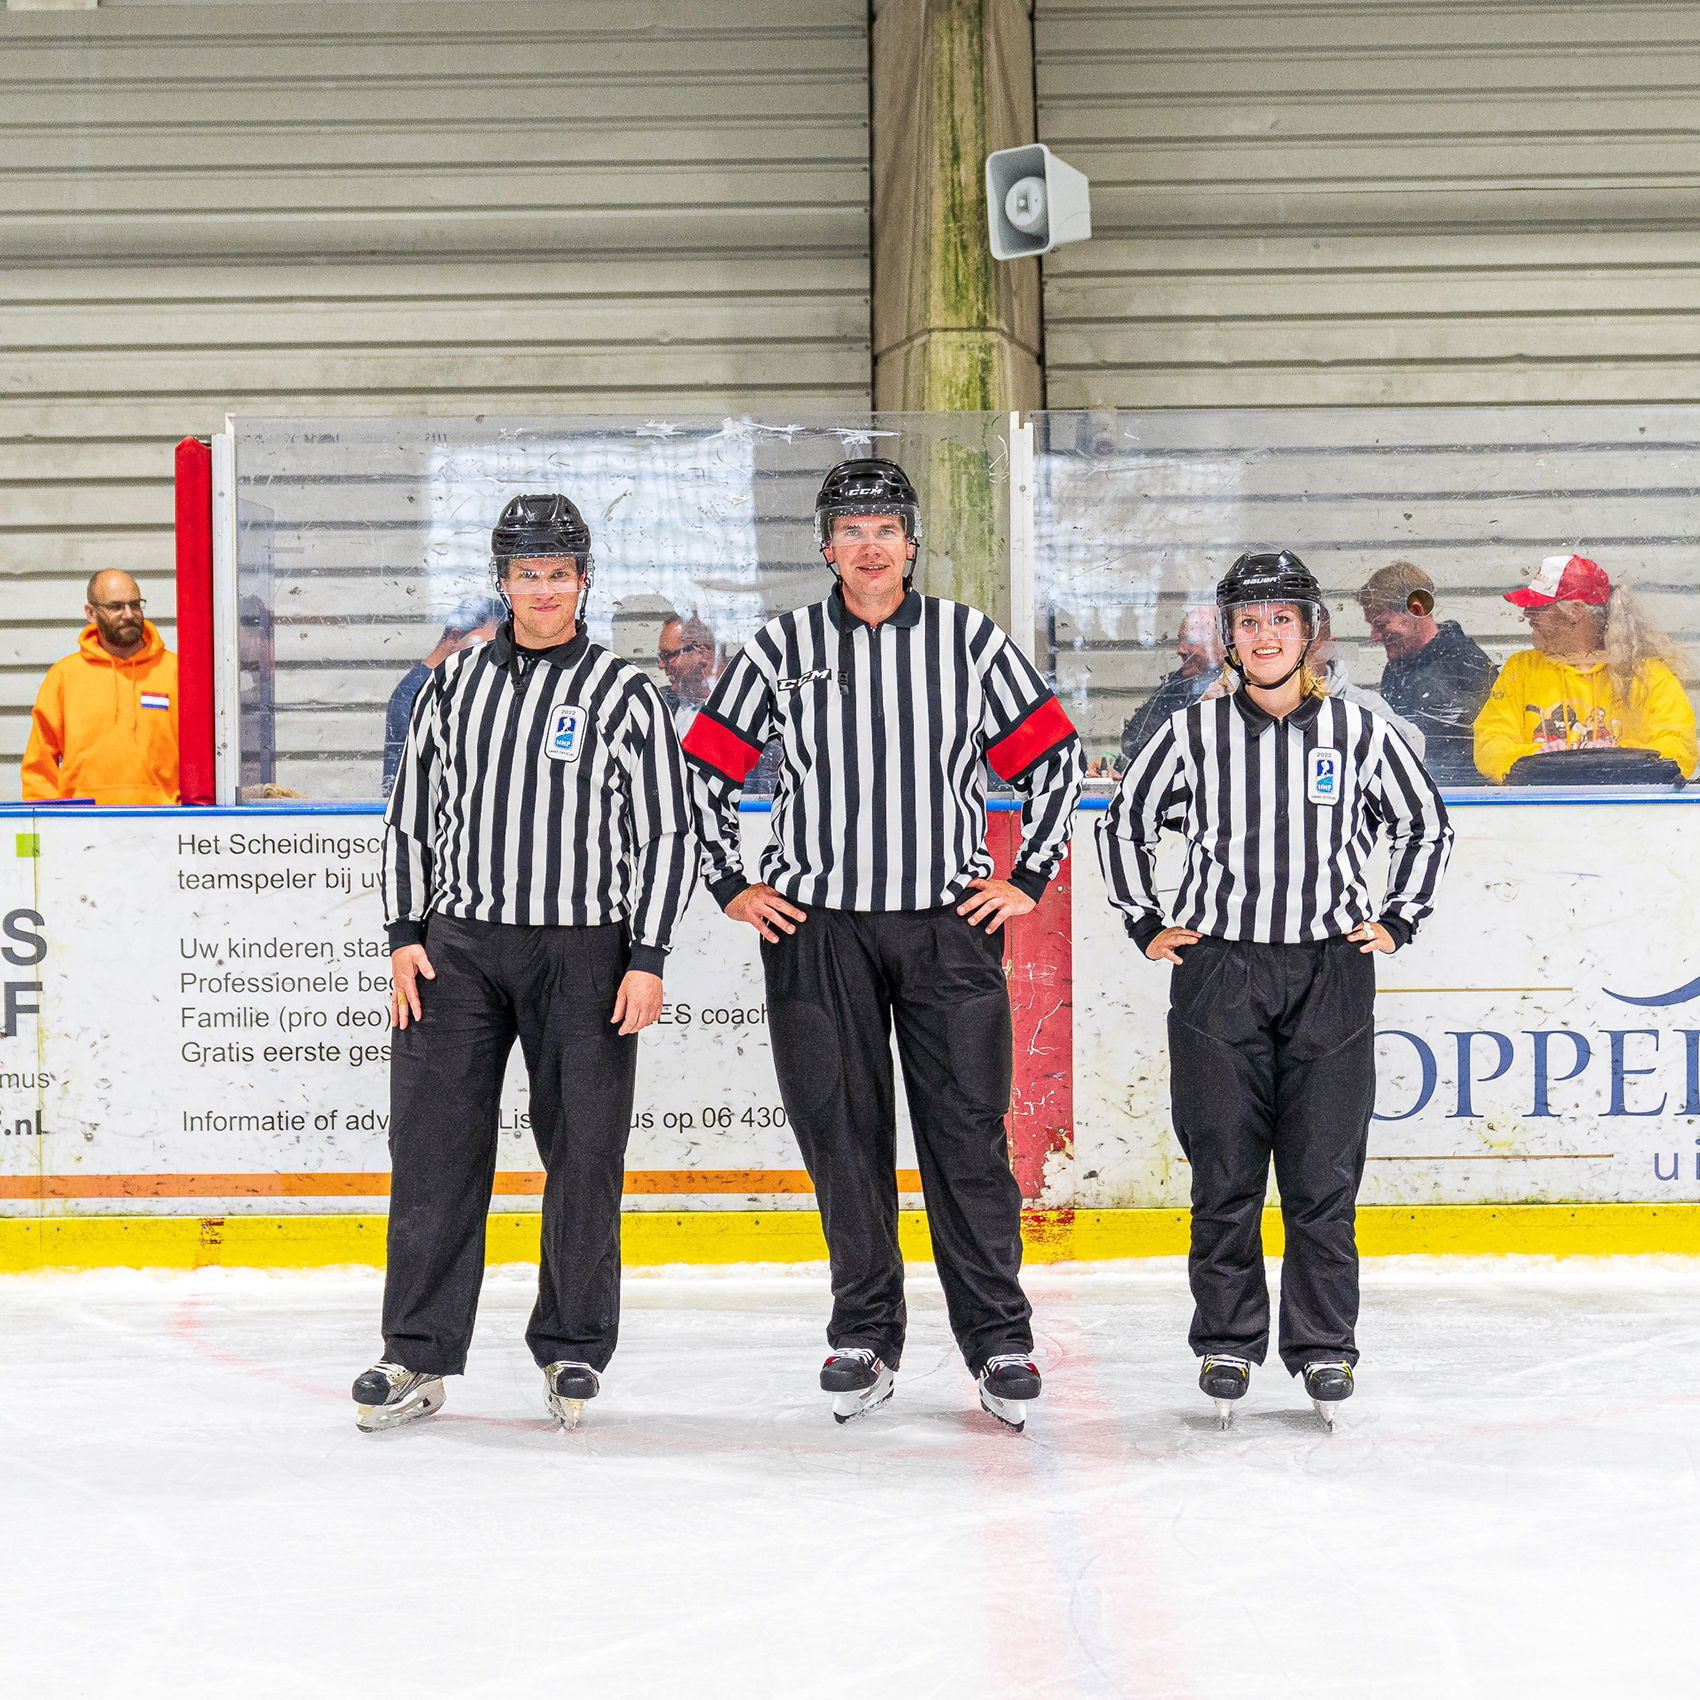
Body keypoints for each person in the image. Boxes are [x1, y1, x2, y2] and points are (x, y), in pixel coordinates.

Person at [683, 458, 1084, 1431]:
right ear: (826, 546)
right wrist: (732, 882)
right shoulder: (780, 645)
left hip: (946, 928)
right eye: (850, 528)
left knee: (967, 1139)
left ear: (910, 545)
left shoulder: (965, 641)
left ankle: (997, 1336)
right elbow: (703, 767)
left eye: (885, 528)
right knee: (841, 1135)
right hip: (817, 933)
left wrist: (1023, 876)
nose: (869, 544)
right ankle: (863, 1330)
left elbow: (1054, 754)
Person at [354, 493, 696, 1433]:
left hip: (584, 951)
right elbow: (410, 818)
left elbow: (667, 831)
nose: (542, 591)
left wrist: (648, 954)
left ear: (585, 581)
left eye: (558, 574)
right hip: (457, 950)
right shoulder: (452, 687)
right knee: (431, 1151)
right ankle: (415, 1354)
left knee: (584, 1152)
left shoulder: (624, 693)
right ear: (501, 582)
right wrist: (404, 937)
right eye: (526, 574)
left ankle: (574, 1347)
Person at [1098, 550, 1452, 1430]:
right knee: (1224, 1174)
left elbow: (1424, 826)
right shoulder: (1190, 733)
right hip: (1218, 974)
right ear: (1230, 635)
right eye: (1249, 622)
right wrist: (1146, 921)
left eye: (1281, 620)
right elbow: (1124, 827)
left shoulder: (1360, 732)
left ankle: (1324, 1345)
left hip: (1330, 972)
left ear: (1310, 632)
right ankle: (1227, 1339)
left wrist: (1398, 918)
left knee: (1322, 1176)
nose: (1264, 636)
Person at [1474, 554, 1697, 783]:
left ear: (1576, 611)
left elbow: (1680, 747)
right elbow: (1490, 744)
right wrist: (1562, 766)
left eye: (1538, 606)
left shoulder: (1646, 673)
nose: (1527, 615)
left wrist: (1596, 765)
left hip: (1628, 810)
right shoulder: (1520, 669)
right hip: (1539, 808)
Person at [22, 571, 179, 805]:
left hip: (165, 820)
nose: (129, 615)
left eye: (135, 605)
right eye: (116, 607)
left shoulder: (176, 670)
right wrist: (49, 826)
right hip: (84, 824)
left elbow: (202, 759)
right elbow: (40, 765)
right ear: (91, 613)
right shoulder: (64, 675)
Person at [1355, 561, 1495, 786]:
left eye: (1381, 625)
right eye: (1372, 626)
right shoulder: (1397, 666)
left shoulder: (1466, 664)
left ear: (1417, 610)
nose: (1374, 636)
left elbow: (1484, 748)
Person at [381, 596, 503, 795]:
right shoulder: (421, 689)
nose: (490, 655)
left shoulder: (450, 680)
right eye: (486, 644)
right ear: (454, 638)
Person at [1309, 606, 1426, 760]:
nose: (1293, 662)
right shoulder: (1267, 708)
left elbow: (1412, 746)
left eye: (1306, 648)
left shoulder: (1363, 705)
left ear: (1329, 648)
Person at [1118, 605, 1224, 761]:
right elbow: (1135, 741)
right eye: (1180, 641)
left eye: (1190, 640)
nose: (1180, 650)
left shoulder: (1242, 685)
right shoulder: (1174, 685)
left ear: (1223, 643)